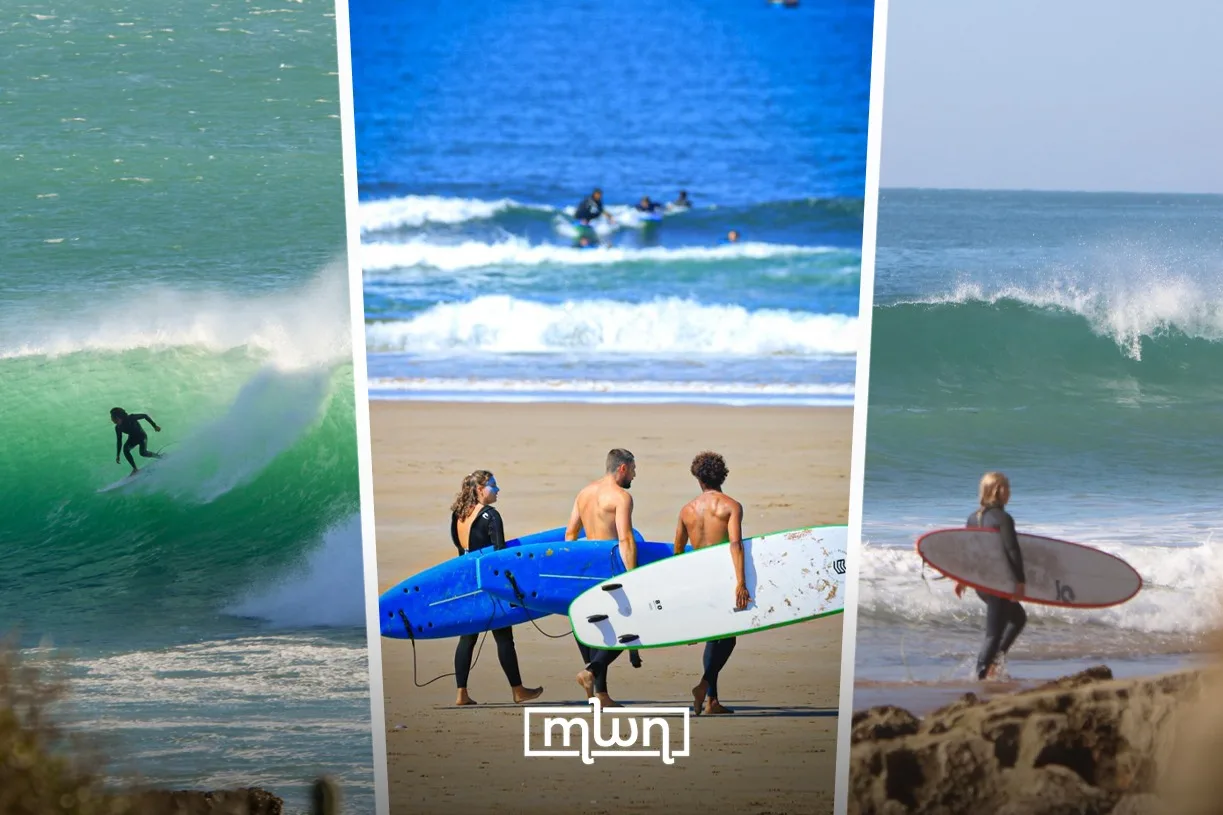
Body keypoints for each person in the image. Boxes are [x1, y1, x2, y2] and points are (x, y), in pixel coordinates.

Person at [449, 470, 543, 706]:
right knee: (504, 638)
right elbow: (500, 557)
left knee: (467, 638)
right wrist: (509, 591)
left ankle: (461, 693)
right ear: (480, 489)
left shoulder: (458, 514)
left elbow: (461, 551)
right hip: (489, 585)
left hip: (468, 582)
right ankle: (518, 690)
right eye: (493, 485)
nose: (498, 489)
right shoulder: (491, 516)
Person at [673, 451, 747, 715]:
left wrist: (683, 590)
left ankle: (711, 701)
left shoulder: (687, 510)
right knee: (727, 639)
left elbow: (678, 551)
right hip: (723, 577)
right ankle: (705, 686)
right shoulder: (731, 506)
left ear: (698, 478)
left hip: (699, 579)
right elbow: (735, 544)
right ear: (722, 476)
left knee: (713, 638)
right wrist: (741, 583)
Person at [566, 448, 637, 706]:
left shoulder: (584, 493)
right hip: (609, 571)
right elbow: (625, 538)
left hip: (585, 571)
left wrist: (573, 571)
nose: (634, 475)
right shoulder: (621, 497)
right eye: (633, 469)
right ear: (622, 468)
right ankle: (591, 672)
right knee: (627, 630)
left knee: (592, 629)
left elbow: (570, 535)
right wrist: (633, 576)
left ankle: (600, 693)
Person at [955, 471, 1027, 681]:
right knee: (993, 634)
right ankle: (980, 676)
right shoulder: (1003, 518)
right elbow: (1012, 551)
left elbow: (970, 552)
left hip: (982, 584)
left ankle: (994, 663)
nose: (1010, 492)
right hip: (999, 583)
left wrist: (962, 579)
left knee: (1018, 618)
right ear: (996, 490)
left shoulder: (972, 518)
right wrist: (1020, 581)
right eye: (1007, 487)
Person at [111, 407, 162, 476]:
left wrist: (155, 426)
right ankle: (135, 469)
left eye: (113, 418)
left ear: (118, 417)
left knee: (143, 453)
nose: (112, 420)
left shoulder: (131, 418)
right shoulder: (118, 428)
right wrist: (118, 455)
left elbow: (145, 416)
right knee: (125, 449)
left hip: (142, 436)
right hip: (132, 439)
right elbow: (119, 440)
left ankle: (160, 456)